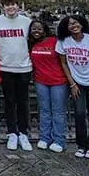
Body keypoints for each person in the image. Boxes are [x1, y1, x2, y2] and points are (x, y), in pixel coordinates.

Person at [0, 0, 33, 151]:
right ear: (3, 7)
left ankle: (23, 133)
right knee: (9, 102)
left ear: (18, 6)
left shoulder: (27, 22)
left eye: (13, 4)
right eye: (7, 5)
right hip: (5, 67)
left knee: (23, 102)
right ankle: (12, 132)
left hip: (24, 67)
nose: (10, 7)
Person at [56, 15, 89, 159]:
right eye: (70, 24)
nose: (73, 26)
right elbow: (63, 63)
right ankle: (82, 145)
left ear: (82, 24)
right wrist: (72, 83)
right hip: (77, 83)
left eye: (75, 23)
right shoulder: (64, 41)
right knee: (79, 113)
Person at [28, 19, 68, 153]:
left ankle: (59, 140)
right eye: (34, 29)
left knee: (58, 112)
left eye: (39, 29)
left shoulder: (55, 41)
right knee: (44, 111)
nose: (36, 31)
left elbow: (64, 60)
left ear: (45, 30)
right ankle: (45, 138)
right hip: (41, 81)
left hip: (58, 81)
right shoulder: (31, 44)